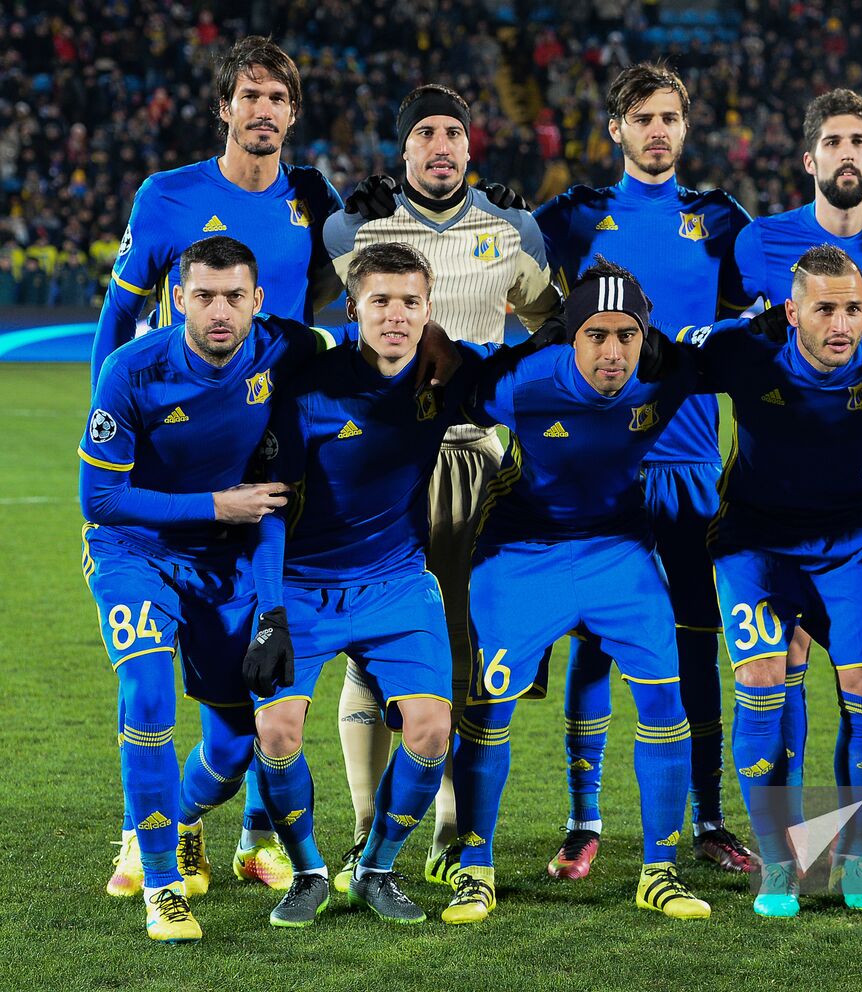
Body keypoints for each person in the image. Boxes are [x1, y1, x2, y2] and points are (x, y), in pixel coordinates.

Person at [92, 36, 342, 899]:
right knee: (199, 675)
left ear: (293, 112)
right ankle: (153, 834)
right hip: (183, 466)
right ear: (224, 107)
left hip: (278, 467)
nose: (264, 110)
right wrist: (112, 420)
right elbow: (115, 318)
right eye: (250, 95)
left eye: (279, 96)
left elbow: (360, 286)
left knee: (263, 675)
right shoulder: (166, 199)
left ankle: (252, 839)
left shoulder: (314, 201)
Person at [320, 82, 560, 890]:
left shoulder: (512, 229)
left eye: (453, 130)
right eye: (423, 131)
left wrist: (506, 401)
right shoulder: (357, 228)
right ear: (403, 147)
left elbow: (552, 325)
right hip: (385, 464)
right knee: (372, 642)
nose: (441, 144)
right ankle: (365, 826)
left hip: (475, 466)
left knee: (469, 648)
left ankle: (455, 835)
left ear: (471, 143)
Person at [78, 236, 344, 943]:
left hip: (227, 562)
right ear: (177, 300)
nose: (220, 312)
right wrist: (215, 505)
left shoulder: (286, 351)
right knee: (146, 690)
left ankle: (183, 818)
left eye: (234, 297)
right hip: (135, 551)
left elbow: (378, 330)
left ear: (258, 301)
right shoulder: (131, 371)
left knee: (233, 748)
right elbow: (99, 500)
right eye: (204, 297)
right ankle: (160, 880)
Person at [531, 60, 756, 878]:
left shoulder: (721, 219)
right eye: (643, 118)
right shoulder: (578, 216)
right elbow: (504, 268)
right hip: (604, 465)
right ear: (617, 129)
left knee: (700, 644)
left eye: (670, 118)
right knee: (595, 639)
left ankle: (709, 819)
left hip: (693, 465)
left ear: (684, 129)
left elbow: (780, 294)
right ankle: (582, 821)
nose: (658, 131)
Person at [682, 244, 862, 918]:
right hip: (755, 546)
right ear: (793, 311)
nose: (842, 323)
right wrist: (731, 331)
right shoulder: (750, 351)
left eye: (853, 308)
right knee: (764, 680)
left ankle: (856, 856)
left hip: (850, 544)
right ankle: (779, 865)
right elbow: (670, 349)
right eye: (825, 308)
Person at [444, 259, 710, 924]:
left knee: (664, 697)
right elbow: (449, 375)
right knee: (489, 709)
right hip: (520, 556)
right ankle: (474, 868)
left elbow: (743, 351)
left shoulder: (666, 372)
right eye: (596, 334)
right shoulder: (525, 382)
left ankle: (661, 870)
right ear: (571, 337)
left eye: (627, 334)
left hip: (619, 552)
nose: (613, 350)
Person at [244, 243, 473, 928]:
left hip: (397, 582)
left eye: (410, 303)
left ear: (429, 311)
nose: (395, 316)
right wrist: (271, 613)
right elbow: (269, 504)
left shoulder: (449, 378)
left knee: (432, 731)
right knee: (276, 731)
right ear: (353, 308)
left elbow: (536, 371)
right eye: (380, 301)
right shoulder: (309, 387)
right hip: (307, 586)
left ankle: (375, 869)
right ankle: (310, 872)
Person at [729, 89, 862, 857]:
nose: (847, 154)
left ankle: (852, 840)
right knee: (786, 662)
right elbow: (730, 344)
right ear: (810, 160)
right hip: (780, 487)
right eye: (833, 142)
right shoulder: (759, 244)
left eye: (859, 142)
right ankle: (794, 839)